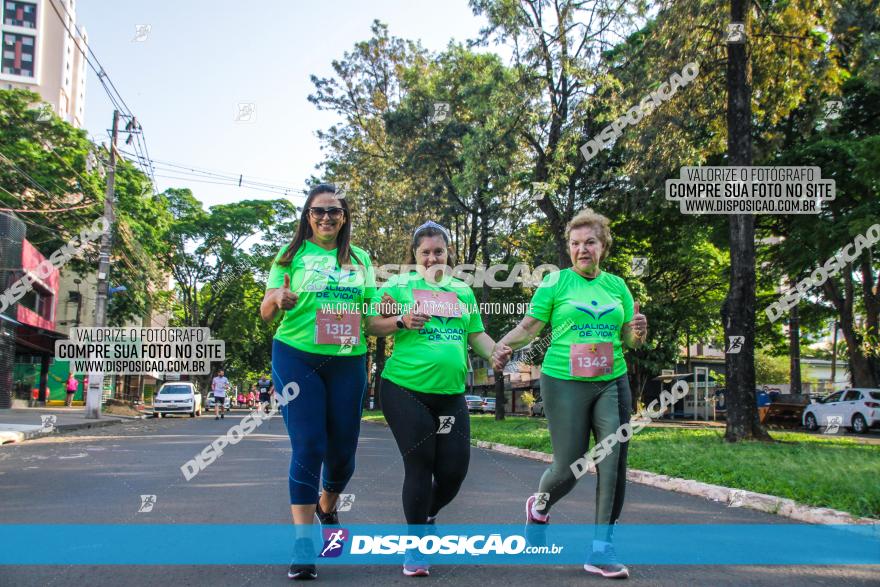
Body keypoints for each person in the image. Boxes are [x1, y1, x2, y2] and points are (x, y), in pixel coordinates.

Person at [494, 208, 647, 579]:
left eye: (590, 242)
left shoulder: (617, 287)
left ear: (603, 246)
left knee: (613, 462)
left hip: (612, 380)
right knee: (570, 467)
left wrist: (638, 330)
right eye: (576, 243)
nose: (582, 249)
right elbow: (531, 327)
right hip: (563, 380)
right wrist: (503, 345)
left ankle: (601, 549)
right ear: (569, 248)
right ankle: (539, 507)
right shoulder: (556, 283)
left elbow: (629, 341)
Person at [366, 220, 502, 577]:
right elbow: (369, 324)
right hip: (404, 389)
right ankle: (415, 545)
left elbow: (477, 336)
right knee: (420, 464)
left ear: (448, 254)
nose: (431, 258)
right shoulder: (399, 286)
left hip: (450, 395)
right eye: (425, 252)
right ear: (415, 256)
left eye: (438, 251)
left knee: (454, 471)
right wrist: (400, 320)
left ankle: (426, 516)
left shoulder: (462, 292)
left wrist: (497, 354)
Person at [260, 183, 375, 581]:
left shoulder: (360, 259)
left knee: (342, 454)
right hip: (297, 355)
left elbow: (372, 315)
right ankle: (303, 542)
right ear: (307, 216)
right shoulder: (290, 255)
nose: (326, 218)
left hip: (347, 360)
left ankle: (327, 505)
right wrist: (277, 298)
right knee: (309, 445)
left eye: (334, 212)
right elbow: (265, 311)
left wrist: (394, 316)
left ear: (345, 217)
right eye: (318, 211)